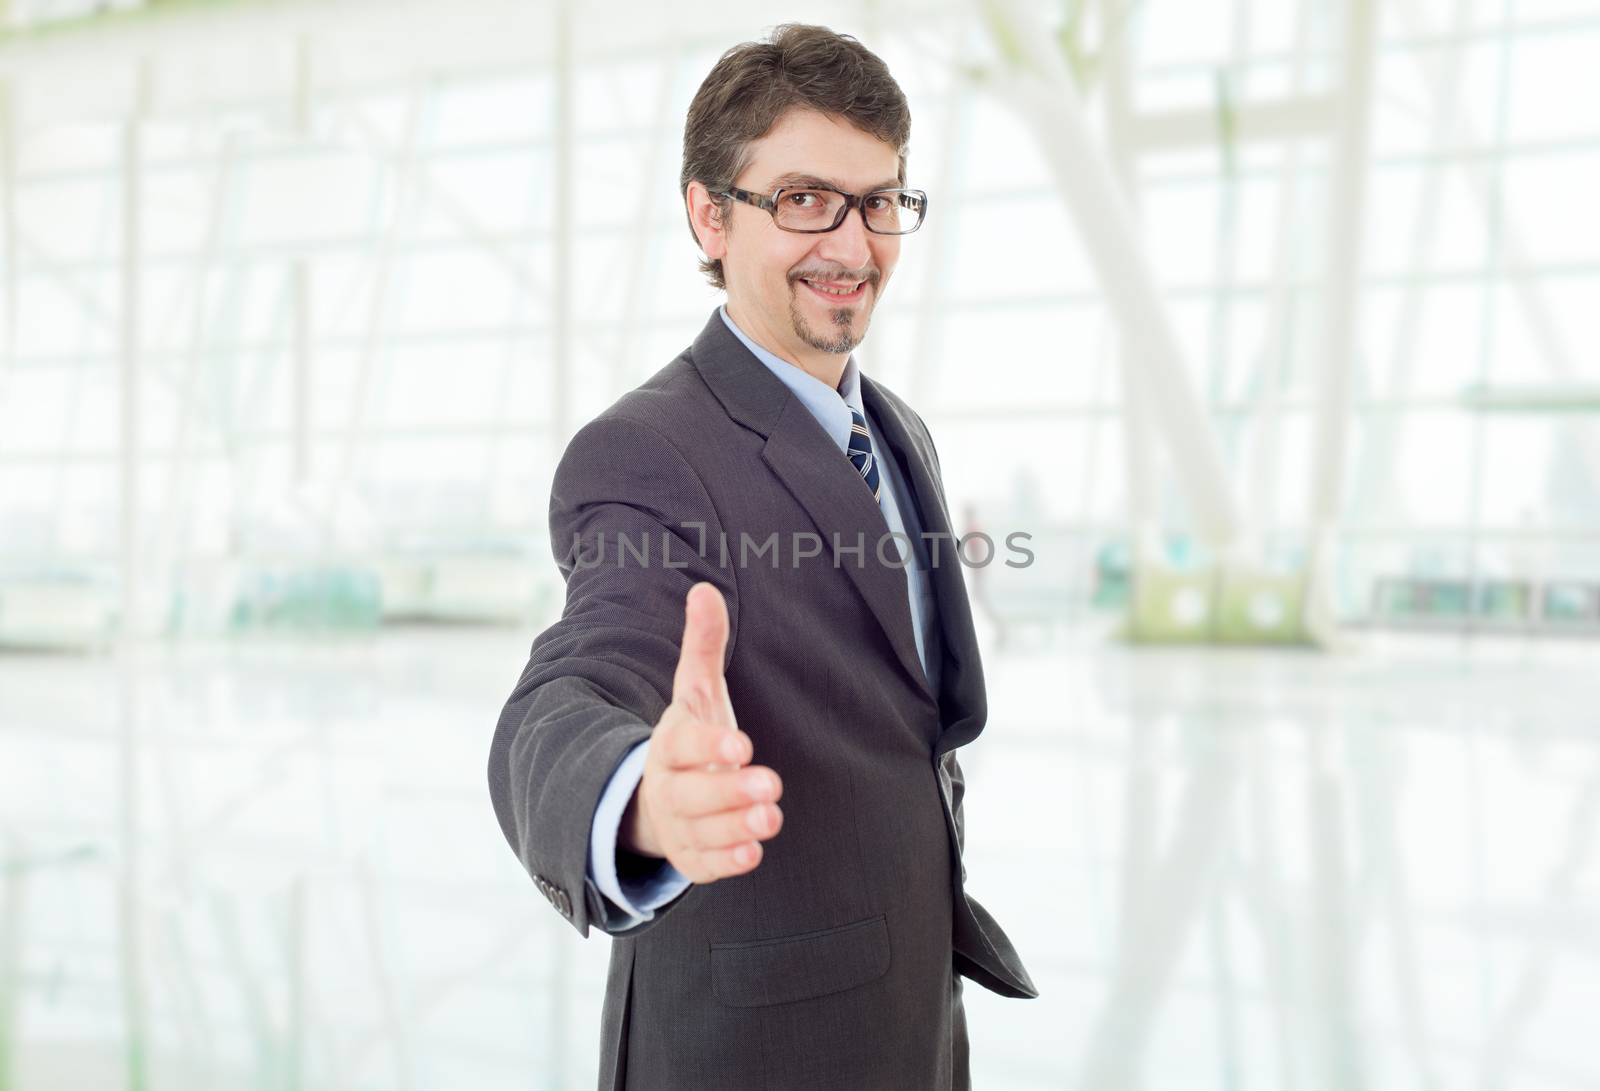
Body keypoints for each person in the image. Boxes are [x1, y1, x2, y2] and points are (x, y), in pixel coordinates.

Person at [487, 23, 1035, 1090]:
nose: (852, 242)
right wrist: (638, 793)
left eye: (879, 201)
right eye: (803, 200)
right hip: (753, 1051)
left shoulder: (896, 428)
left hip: (910, 1021)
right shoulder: (648, 451)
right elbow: (575, 683)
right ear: (708, 213)